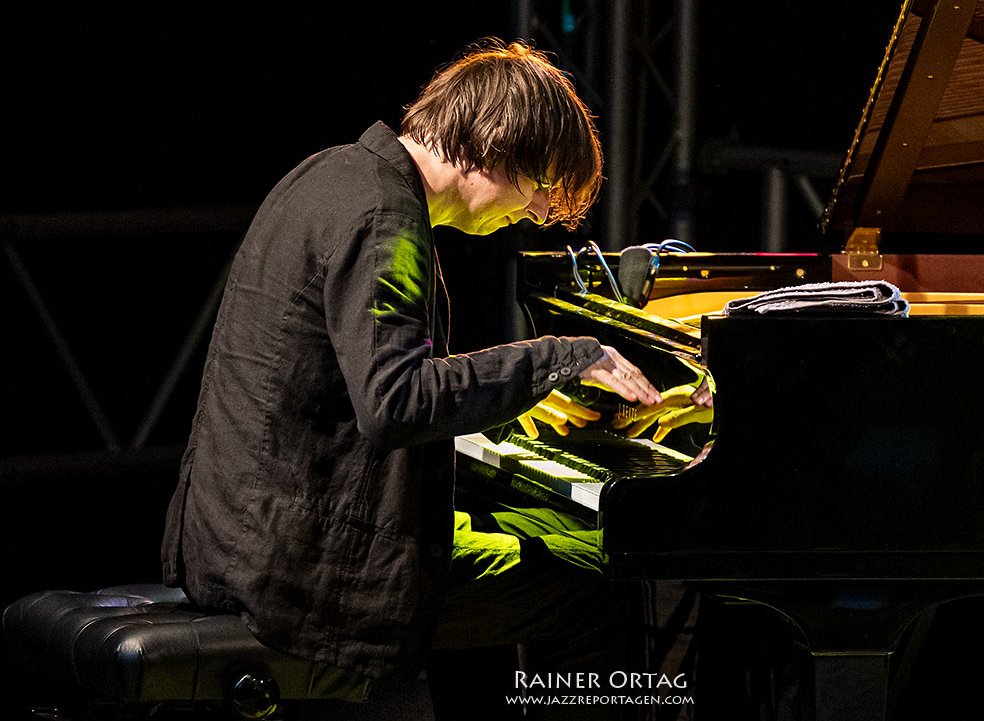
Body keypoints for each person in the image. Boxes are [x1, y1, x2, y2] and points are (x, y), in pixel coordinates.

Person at [159, 39, 663, 710]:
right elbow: (397, 403)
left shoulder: (330, 174)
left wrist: (514, 405)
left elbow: (361, 388)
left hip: (235, 537)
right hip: (300, 570)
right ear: (498, 145)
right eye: (543, 189)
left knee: (514, 540)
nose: (541, 215)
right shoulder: (383, 219)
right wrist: (556, 358)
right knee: (596, 589)